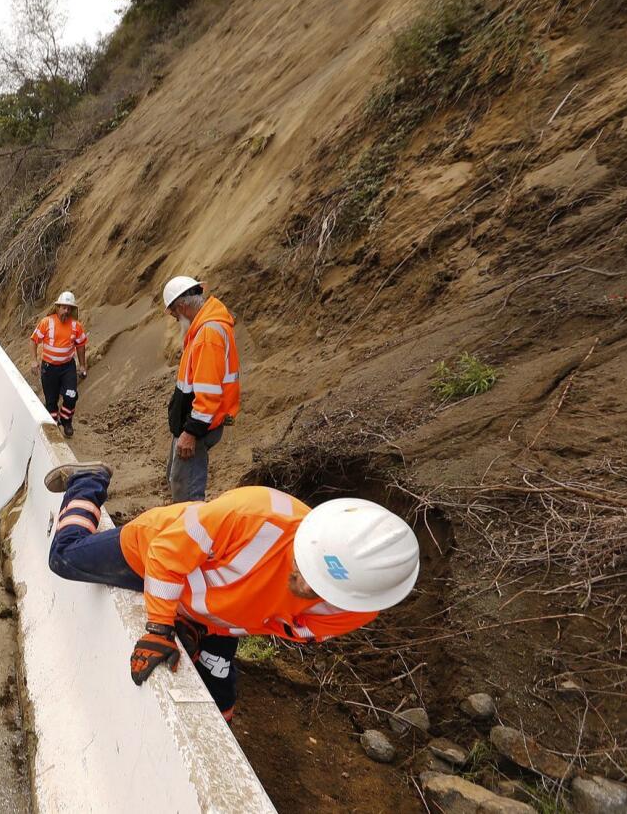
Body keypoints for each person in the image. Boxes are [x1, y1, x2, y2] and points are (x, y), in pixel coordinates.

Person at [43, 461, 419, 720]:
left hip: (214, 616)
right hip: (153, 554)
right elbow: (166, 555)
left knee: (219, 696)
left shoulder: (356, 606)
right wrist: (161, 626)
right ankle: (88, 482)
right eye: (306, 567)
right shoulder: (251, 514)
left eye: (322, 588)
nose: (305, 585)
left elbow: (271, 622)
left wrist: (202, 627)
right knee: (64, 558)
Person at [162, 275, 240, 502]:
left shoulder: (207, 335)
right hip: (193, 423)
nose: (176, 319)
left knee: (187, 494)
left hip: (198, 427)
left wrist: (191, 432)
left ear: (183, 306)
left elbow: (208, 393)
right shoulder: (204, 329)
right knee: (177, 480)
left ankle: (192, 534)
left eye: (175, 314)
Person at [31, 291, 89, 438]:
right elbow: (34, 340)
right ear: (57, 307)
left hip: (67, 367)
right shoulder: (46, 322)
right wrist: (34, 360)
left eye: (69, 308)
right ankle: (53, 424)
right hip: (49, 369)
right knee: (51, 400)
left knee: (71, 396)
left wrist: (82, 365)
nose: (66, 311)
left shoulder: (76, 326)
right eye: (64, 307)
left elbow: (81, 345)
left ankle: (66, 420)